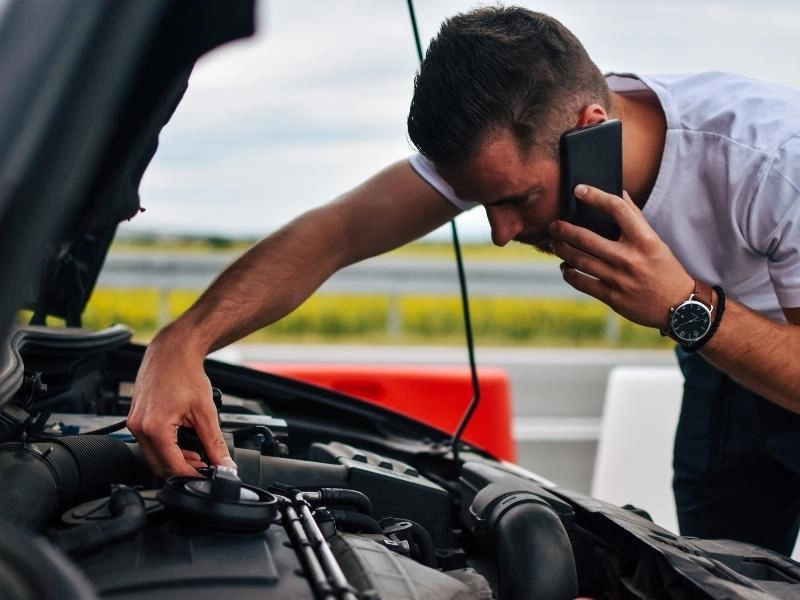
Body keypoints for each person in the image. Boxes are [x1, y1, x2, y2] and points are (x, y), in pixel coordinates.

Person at [128, 6, 800, 555]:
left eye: (516, 200)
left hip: (752, 338)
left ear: (590, 131)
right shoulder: (514, 145)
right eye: (481, 204)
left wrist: (689, 310)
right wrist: (183, 342)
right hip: (722, 366)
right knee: (723, 572)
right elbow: (337, 232)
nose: (504, 233)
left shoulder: (772, 162)